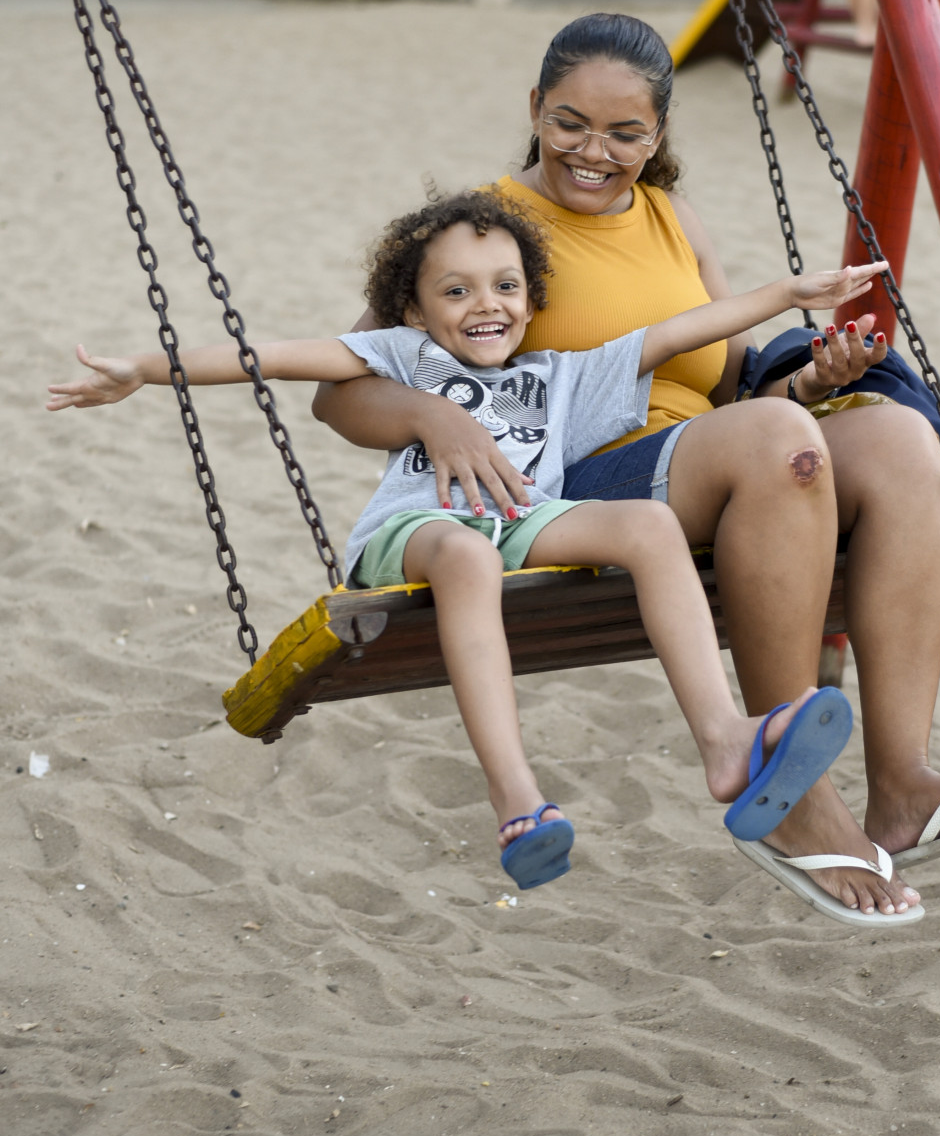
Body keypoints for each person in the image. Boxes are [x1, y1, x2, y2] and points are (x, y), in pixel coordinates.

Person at [313, 15, 940, 926]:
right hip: (556, 488)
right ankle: (795, 801)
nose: (595, 152)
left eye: (626, 134)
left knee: (900, 442)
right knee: (772, 437)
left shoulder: (673, 220)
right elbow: (342, 391)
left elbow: (736, 375)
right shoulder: (482, 229)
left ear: (658, 136)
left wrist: (812, 376)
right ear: (535, 110)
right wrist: (433, 414)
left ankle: (901, 785)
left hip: (707, 457)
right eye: (571, 123)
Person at [48, 188, 890, 906]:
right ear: (417, 309)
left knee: (646, 524)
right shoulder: (403, 355)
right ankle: (516, 797)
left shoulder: (565, 376)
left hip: (520, 520)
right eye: (456, 291)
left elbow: (681, 331)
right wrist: (146, 370)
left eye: (505, 286)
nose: (485, 304)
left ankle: (723, 739)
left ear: (531, 299)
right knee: (467, 556)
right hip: (419, 530)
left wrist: (790, 292)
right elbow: (270, 356)